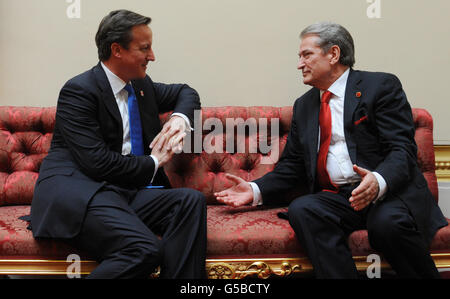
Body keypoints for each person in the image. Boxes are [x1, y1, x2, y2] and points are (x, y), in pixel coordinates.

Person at [215, 22, 448, 278]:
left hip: (387, 193)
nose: (299, 64)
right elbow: (292, 165)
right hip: (342, 198)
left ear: (333, 54)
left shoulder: (380, 87)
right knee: (303, 208)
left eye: (307, 55)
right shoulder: (305, 106)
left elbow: (401, 149)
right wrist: (254, 189)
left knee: (386, 225)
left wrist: (378, 180)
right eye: (299, 56)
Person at [29, 10, 206, 279]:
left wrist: (179, 120)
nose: (152, 56)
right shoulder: (79, 91)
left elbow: (186, 91)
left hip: (123, 193)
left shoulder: (141, 86)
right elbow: (97, 162)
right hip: (83, 192)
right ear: (117, 50)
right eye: (144, 48)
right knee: (144, 249)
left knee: (190, 201)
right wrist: (156, 160)